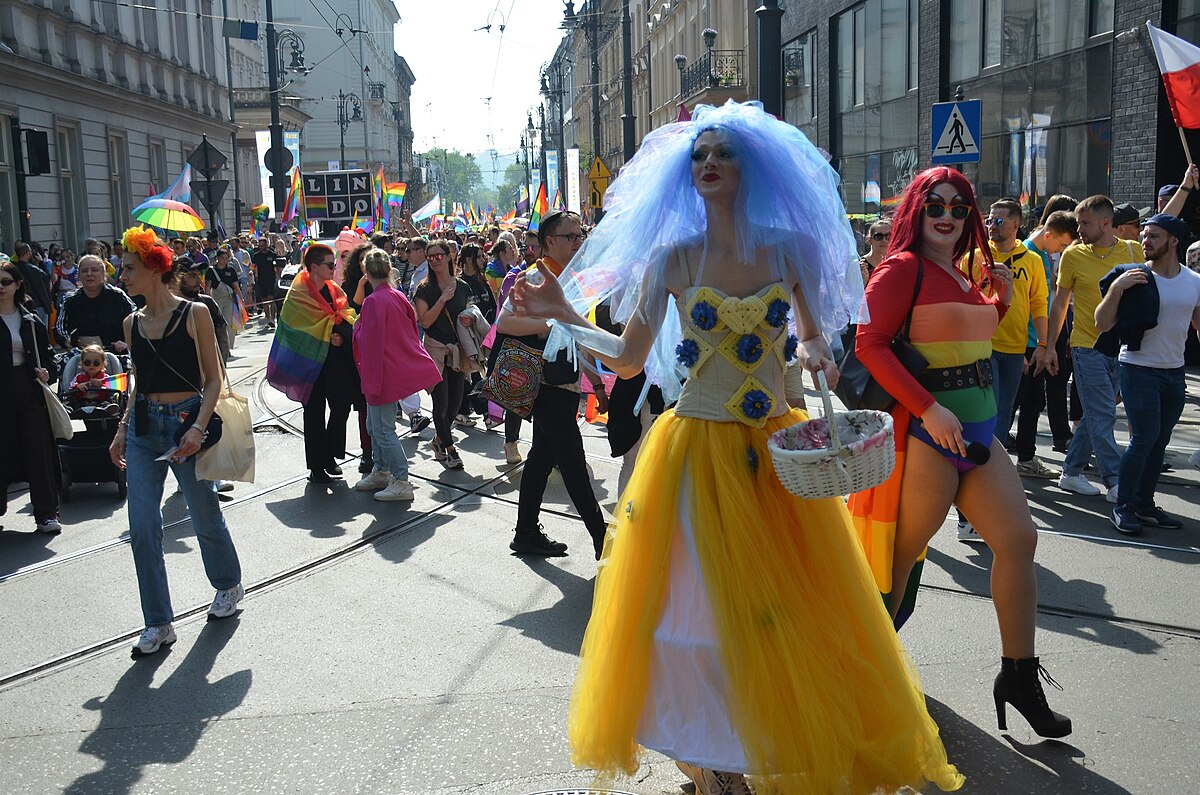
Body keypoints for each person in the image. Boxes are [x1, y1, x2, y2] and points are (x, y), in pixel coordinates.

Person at [509, 103, 962, 794]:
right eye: (699, 156)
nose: (710, 163)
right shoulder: (675, 256)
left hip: (775, 449)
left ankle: (742, 749)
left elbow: (815, 337)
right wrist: (566, 316)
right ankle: (710, 758)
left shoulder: (788, 249)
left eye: (722, 153)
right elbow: (630, 361)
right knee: (694, 617)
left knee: (779, 613)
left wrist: (817, 356)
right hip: (692, 452)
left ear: (750, 168)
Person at [850, 166, 1070, 741]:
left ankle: (1018, 678)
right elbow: (868, 345)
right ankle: (862, 677)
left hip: (979, 434)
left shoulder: (963, 272)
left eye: (957, 207)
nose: (946, 216)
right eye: (935, 206)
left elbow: (967, 336)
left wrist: (999, 297)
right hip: (929, 437)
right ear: (916, 212)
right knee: (898, 561)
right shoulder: (902, 269)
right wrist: (927, 408)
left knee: (1019, 541)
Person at [109, 226, 243, 656]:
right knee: (142, 527)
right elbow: (137, 384)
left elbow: (213, 377)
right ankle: (158, 622)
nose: (122, 275)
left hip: (186, 421)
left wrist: (197, 428)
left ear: (153, 268)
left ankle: (227, 584)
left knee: (204, 515)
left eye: (128, 268)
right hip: (145, 430)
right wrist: (120, 430)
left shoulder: (194, 313)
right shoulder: (131, 323)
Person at [496, 211, 609, 558]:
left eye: (581, 235)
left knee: (541, 459)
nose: (579, 242)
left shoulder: (571, 278)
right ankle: (602, 539)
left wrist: (596, 383)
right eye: (571, 237)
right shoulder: (536, 277)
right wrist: (547, 323)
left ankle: (526, 532)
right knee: (573, 462)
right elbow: (503, 322)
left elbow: (578, 336)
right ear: (549, 242)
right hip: (545, 386)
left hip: (565, 383)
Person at [1095, 213, 1200, 534]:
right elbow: (1102, 323)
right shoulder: (1133, 276)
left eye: (1153, 236)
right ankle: (1123, 505)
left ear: (1173, 241)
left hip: (1173, 373)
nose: (1145, 241)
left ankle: (1143, 503)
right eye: (1144, 235)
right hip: (1138, 368)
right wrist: (1116, 289)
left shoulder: (1194, 282)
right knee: (1143, 439)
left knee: (1159, 441)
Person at [1042, 195, 1145, 499]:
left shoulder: (1132, 250)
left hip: (1124, 346)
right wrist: (1049, 346)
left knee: (1095, 414)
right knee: (1102, 415)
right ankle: (1115, 481)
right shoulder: (1073, 255)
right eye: (1078, 223)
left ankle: (1071, 472)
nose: (1079, 229)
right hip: (1087, 346)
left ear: (1105, 222)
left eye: (1085, 223)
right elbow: (1060, 303)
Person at [351, 248, 442, 500]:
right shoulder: (398, 296)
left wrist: (357, 327)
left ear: (366, 273)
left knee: (381, 429)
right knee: (376, 425)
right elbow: (411, 333)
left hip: (380, 373)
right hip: (393, 369)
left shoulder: (372, 302)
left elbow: (368, 341)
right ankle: (381, 470)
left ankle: (401, 479)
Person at [267, 243, 361, 483]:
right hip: (309, 362)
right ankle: (317, 467)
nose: (334, 268)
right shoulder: (298, 293)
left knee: (341, 406)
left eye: (335, 263)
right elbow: (293, 328)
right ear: (315, 267)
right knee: (314, 412)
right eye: (330, 264)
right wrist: (328, 332)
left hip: (334, 361)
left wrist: (338, 330)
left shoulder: (334, 289)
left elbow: (348, 315)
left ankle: (329, 455)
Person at [1012, 210, 1078, 478]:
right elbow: (1028, 305)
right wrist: (1035, 346)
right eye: (1061, 245)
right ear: (1049, 235)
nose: (1061, 250)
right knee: (1016, 403)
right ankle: (1007, 462)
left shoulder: (1038, 254)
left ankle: (1026, 458)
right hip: (1025, 343)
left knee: (1031, 401)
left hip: (1033, 342)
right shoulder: (1030, 256)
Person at [0, 258, 62, 533]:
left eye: (5, 282)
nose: (0, 288)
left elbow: (49, 358)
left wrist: (47, 373)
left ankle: (47, 513)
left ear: (17, 285)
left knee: (38, 450)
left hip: (28, 389)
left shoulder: (29, 318)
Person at [413, 239, 472, 469]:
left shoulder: (462, 286)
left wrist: (469, 318)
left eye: (439, 256)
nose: (435, 260)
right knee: (441, 402)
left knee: (456, 402)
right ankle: (450, 450)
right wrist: (442, 299)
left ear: (449, 257)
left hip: (457, 350)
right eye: (430, 257)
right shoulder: (424, 289)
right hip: (435, 350)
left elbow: (470, 313)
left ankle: (438, 440)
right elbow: (425, 321)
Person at [56, 254, 136, 351]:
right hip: (82, 356)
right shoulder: (69, 299)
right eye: (84, 271)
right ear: (79, 275)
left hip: (116, 353)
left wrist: (125, 341)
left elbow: (135, 318)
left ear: (103, 274)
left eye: (94, 270)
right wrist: (67, 340)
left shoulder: (118, 295)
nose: (89, 274)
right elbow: (60, 327)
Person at [176, 257, 231, 363]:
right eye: (192, 276)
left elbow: (222, 338)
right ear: (176, 278)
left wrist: (220, 369)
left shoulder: (207, 303)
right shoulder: (167, 308)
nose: (199, 281)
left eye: (199, 275)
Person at [204, 247, 245, 348]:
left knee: (230, 323)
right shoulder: (211, 271)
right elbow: (208, 287)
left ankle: (229, 346)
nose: (224, 260)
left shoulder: (231, 270)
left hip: (229, 299)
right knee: (218, 324)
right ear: (217, 258)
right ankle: (219, 346)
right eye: (222, 258)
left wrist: (241, 300)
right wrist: (208, 302)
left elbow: (235, 286)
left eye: (226, 258)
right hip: (216, 299)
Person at [69, 343, 120, 415]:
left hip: (100, 401)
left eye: (96, 363)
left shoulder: (106, 377)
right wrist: (78, 386)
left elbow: (116, 389)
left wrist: (102, 383)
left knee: (108, 401)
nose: (91, 365)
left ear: (102, 364)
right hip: (82, 402)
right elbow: (70, 387)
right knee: (72, 402)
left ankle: (108, 409)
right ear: (82, 364)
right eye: (87, 363)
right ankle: (69, 410)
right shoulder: (79, 377)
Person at [13, 241, 53, 325]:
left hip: (21, 305)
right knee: (42, 333)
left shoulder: (14, 269)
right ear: (27, 253)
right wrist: (41, 262)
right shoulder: (34, 270)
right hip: (38, 305)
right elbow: (46, 279)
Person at [250, 237, 280, 328]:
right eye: (260, 245)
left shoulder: (273, 254)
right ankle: (268, 319)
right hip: (261, 280)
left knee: (272, 299)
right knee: (265, 300)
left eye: (263, 245)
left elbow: (277, 267)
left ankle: (273, 318)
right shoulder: (256, 255)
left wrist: (279, 277)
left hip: (271, 279)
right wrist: (252, 274)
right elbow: (253, 266)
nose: (261, 247)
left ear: (267, 244)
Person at [860, 216, 892, 283]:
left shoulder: (893, 265)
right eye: (879, 236)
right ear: (870, 240)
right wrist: (863, 282)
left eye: (888, 236)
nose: (884, 240)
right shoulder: (860, 266)